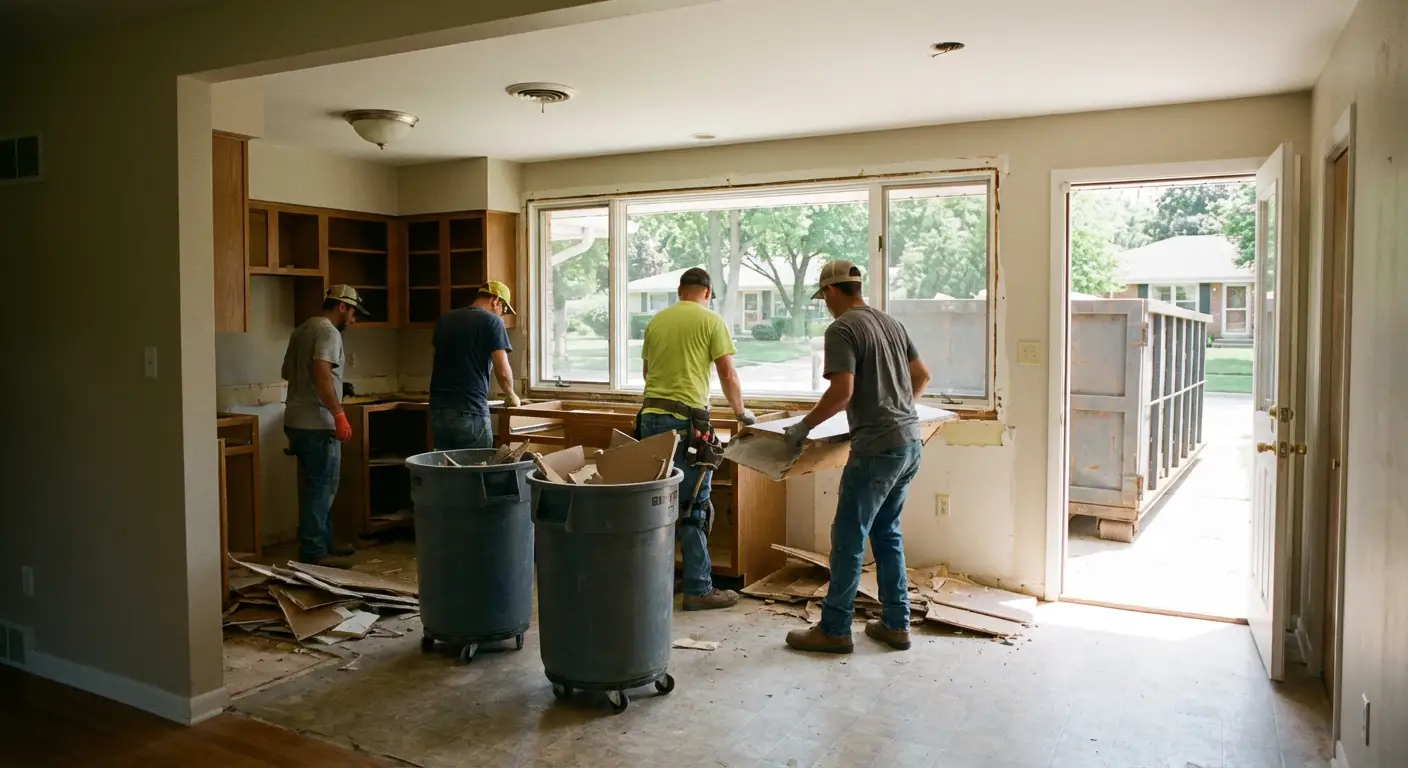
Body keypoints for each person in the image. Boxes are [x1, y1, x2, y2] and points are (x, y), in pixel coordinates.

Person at [782, 260, 932, 653]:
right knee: (886, 532)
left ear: (831, 291)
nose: (825, 305)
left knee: (848, 536)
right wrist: (896, 409)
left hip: (877, 449)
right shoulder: (890, 323)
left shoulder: (842, 328)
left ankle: (834, 630)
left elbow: (841, 393)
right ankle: (896, 625)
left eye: (823, 298)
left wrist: (803, 427)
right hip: (909, 442)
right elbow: (922, 375)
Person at [638, 267, 756, 611]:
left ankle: (658, 580)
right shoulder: (710, 320)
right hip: (684, 422)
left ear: (680, 291)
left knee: (657, 501)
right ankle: (698, 588)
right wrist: (740, 412)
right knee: (693, 504)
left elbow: (647, 373)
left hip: (649, 418)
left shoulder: (657, 321)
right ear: (707, 292)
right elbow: (727, 373)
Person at [281, 285, 369, 567]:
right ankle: (314, 552)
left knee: (314, 487)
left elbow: (288, 372)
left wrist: (338, 386)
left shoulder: (302, 329)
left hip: (295, 419)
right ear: (342, 307)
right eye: (352, 312)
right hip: (318, 422)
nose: (353, 319)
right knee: (322, 489)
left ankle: (326, 541)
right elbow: (321, 373)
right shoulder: (329, 332)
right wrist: (338, 414)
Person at [429, 280, 521, 450]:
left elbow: (435, 360)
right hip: (470, 410)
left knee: (445, 465)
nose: (502, 315)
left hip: (439, 410)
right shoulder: (492, 322)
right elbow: (502, 371)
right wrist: (511, 395)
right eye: (504, 310)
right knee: (477, 464)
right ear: (496, 301)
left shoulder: (445, 320)